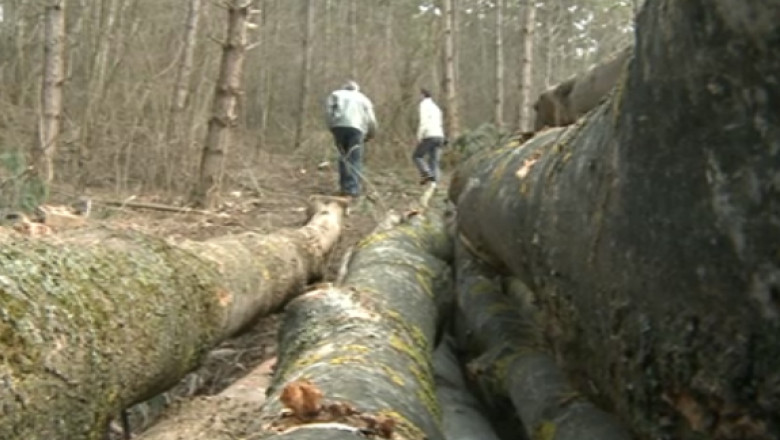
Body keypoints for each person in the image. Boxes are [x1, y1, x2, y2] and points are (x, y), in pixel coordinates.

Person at [324, 80, 377, 198]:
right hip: (357, 129)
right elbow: (371, 120)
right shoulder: (363, 98)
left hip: (339, 127)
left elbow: (328, 112)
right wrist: (371, 134)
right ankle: (352, 189)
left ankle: (343, 187)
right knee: (355, 158)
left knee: (343, 157)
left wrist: (331, 126)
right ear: (356, 89)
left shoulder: (335, 95)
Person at [413, 88, 445, 186]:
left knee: (417, 156)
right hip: (439, 135)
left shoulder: (423, 105)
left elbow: (423, 122)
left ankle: (427, 174)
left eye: (419, 95)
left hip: (429, 135)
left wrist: (419, 135)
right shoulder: (436, 107)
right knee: (434, 161)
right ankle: (434, 185)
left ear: (423, 95)